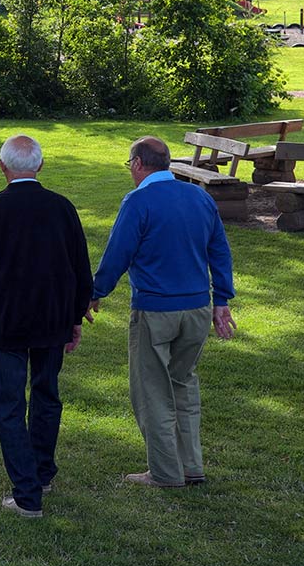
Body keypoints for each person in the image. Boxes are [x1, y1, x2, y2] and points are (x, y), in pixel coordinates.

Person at [0, 135, 93, 519]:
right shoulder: (62, 208)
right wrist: (76, 316)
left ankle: (29, 492)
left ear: (2, 167)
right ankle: (41, 473)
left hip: (5, 322)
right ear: (40, 166)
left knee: (10, 403)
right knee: (46, 396)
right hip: (51, 318)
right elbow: (81, 267)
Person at [90, 136, 237, 489]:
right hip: (198, 309)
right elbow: (219, 250)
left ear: (138, 164)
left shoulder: (138, 201)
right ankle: (191, 466)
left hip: (155, 310)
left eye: (130, 166)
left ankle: (165, 473)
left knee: (152, 391)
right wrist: (222, 300)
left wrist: (95, 293)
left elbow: (118, 254)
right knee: (183, 384)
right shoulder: (200, 196)